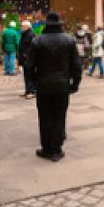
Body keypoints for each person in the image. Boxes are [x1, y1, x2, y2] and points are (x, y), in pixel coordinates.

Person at [26, 12, 81, 162]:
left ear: (46, 24)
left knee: (44, 117)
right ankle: (57, 149)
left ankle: (47, 148)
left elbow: (29, 65)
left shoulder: (38, 41)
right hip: (62, 85)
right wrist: (75, 83)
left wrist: (32, 83)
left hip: (43, 85)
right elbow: (77, 65)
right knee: (59, 116)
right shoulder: (69, 40)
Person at [18, 21, 36, 98]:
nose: (21, 27)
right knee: (26, 75)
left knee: (30, 75)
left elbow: (33, 47)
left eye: (23, 26)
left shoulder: (31, 35)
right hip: (24, 58)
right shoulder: (24, 34)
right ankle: (28, 90)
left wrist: (27, 55)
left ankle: (32, 91)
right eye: (21, 26)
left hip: (29, 59)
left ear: (28, 27)